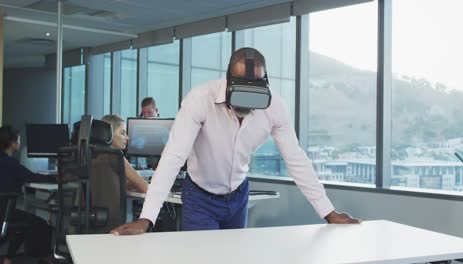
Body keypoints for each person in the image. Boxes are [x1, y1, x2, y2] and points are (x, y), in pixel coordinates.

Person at [112, 47, 360, 235]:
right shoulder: (200, 99)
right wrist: (147, 219)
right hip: (200, 198)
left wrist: (328, 212)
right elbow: (173, 157)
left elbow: (295, 158)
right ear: (229, 81)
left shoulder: (275, 107)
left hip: (238, 196)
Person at [0, 126, 54, 264]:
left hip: (5, 212)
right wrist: (59, 178)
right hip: (5, 214)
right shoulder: (10, 163)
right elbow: (32, 177)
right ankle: (47, 259)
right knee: (39, 224)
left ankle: (8, 259)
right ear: (12, 143)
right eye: (18, 139)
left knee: (22, 224)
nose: (20, 142)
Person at [101, 115, 148, 193]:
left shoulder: (94, 153)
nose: (127, 137)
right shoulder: (116, 156)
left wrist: (132, 184)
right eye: (123, 133)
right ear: (109, 134)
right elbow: (145, 188)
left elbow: (108, 185)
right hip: (113, 205)